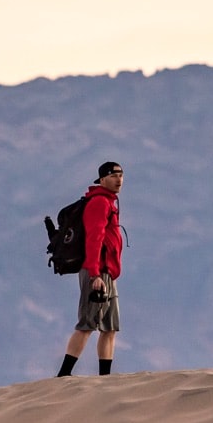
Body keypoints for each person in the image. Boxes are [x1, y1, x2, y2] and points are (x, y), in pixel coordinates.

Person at [56, 161, 124, 376]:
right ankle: (63, 375)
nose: (119, 179)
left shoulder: (110, 203)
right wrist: (94, 274)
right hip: (97, 272)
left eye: (121, 175)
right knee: (87, 324)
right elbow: (94, 239)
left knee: (110, 326)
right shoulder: (99, 203)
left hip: (108, 273)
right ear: (102, 179)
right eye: (113, 175)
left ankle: (105, 377)